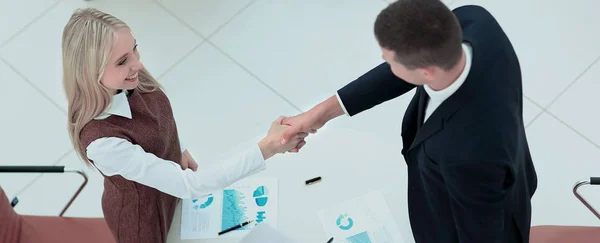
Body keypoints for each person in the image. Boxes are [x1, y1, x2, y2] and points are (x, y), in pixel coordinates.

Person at [280, 1, 538, 242]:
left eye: (389, 60)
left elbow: (480, 233)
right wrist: (319, 114)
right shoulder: (474, 21)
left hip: (474, 213)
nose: (384, 62)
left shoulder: (465, 152)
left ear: (427, 72)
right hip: (500, 167)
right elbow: (399, 72)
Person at [62, 8, 306, 243]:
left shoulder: (130, 75)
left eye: (135, 48)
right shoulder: (102, 143)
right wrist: (268, 147)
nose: (137, 63)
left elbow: (158, 113)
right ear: (91, 72)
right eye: (123, 60)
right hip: (144, 218)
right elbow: (191, 186)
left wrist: (179, 147)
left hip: (171, 187)